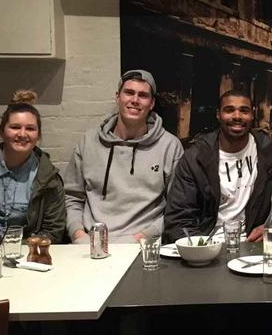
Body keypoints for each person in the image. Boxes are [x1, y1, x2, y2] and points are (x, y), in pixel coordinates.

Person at [64, 69, 183, 243]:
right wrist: (77, 234)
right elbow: (73, 196)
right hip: (89, 244)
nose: (135, 100)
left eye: (143, 95)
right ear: (117, 97)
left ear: (152, 103)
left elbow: (177, 207)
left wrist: (144, 237)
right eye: (129, 93)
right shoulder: (88, 142)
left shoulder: (169, 146)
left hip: (143, 245)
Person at [163, 90, 272, 242]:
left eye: (244, 111)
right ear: (218, 114)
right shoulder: (195, 157)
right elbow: (178, 219)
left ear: (252, 115)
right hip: (206, 246)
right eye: (229, 110)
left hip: (253, 247)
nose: (237, 116)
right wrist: (201, 249)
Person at [0, 90, 65, 260]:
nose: (22, 134)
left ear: (38, 135)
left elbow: (54, 229)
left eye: (30, 128)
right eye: (15, 127)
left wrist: (22, 253)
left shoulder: (49, 178)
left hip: (23, 258)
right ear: (2, 132)